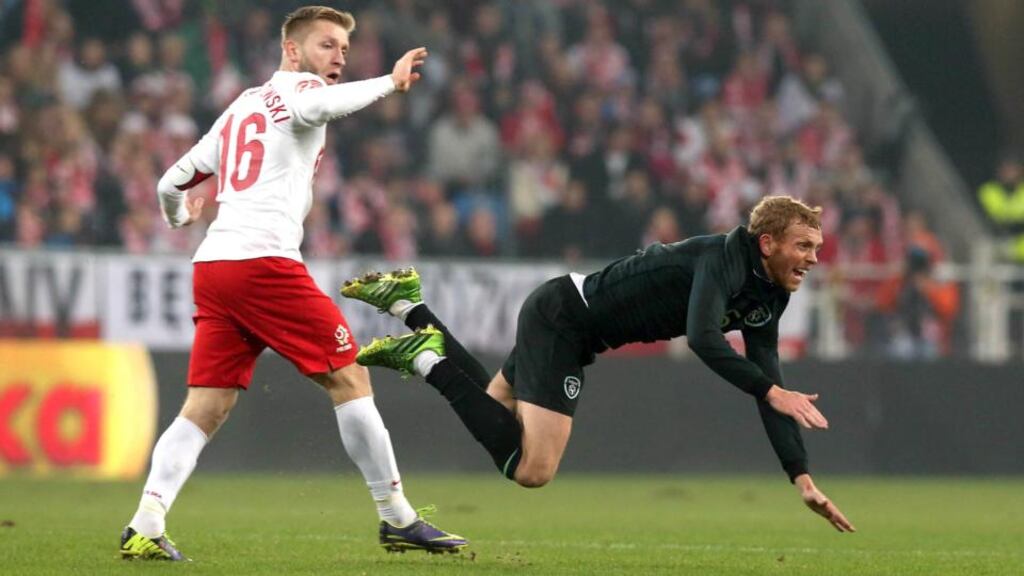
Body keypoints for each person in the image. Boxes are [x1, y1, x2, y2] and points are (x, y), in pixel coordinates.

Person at [120, 6, 467, 561]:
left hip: (213, 268)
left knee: (205, 406)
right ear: (292, 51)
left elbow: (171, 181)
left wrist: (180, 217)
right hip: (263, 264)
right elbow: (322, 102)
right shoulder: (299, 93)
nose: (338, 58)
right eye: (327, 46)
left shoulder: (241, 107)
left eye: (344, 50)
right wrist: (389, 83)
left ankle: (145, 521)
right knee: (349, 378)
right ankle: (396, 517)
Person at [344, 195, 855, 533]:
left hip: (569, 319)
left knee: (493, 405)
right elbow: (703, 338)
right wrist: (769, 392)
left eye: (817, 247)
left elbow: (769, 378)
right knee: (533, 470)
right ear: (767, 243)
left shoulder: (769, 294)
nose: (813, 257)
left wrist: (801, 478)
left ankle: (409, 307)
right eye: (803, 246)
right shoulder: (723, 259)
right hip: (566, 320)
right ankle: (427, 361)